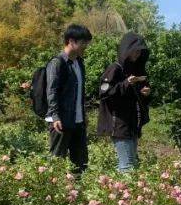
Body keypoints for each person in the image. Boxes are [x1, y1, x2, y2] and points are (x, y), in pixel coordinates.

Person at [97, 31, 151, 172]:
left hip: (132, 124)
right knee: (127, 166)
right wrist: (126, 83)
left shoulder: (136, 69)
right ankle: (125, 193)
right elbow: (105, 93)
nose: (137, 55)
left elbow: (138, 95)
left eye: (140, 52)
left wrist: (146, 93)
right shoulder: (115, 69)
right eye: (134, 51)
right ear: (126, 50)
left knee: (132, 163)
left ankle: (121, 191)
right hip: (120, 125)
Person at [45, 24, 93, 174]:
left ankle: (76, 195)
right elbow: (51, 91)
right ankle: (51, 195)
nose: (86, 46)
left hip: (77, 121)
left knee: (80, 163)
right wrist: (55, 116)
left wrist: (83, 115)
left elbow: (79, 93)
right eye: (83, 42)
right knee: (57, 160)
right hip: (61, 121)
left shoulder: (80, 63)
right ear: (71, 41)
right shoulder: (57, 63)